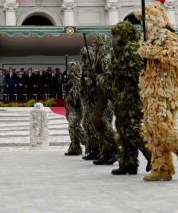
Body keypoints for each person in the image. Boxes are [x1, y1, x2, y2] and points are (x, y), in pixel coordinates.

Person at [139, 2, 178, 181]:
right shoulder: (149, 38)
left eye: (146, 19)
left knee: (161, 123)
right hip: (151, 89)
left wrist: (151, 51)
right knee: (151, 127)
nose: (144, 23)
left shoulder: (167, 35)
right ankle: (161, 167)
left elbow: (177, 58)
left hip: (165, 90)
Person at [109, 21, 151, 175]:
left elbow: (136, 73)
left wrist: (116, 69)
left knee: (131, 129)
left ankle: (151, 156)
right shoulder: (120, 50)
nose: (116, 38)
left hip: (131, 95)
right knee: (122, 130)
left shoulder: (132, 49)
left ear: (125, 34)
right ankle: (128, 164)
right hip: (122, 95)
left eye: (118, 35)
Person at [88, 36, 119, 166]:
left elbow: (108, 77)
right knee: (97, 122)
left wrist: (95, 77)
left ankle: (116, 148)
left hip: (109, 95)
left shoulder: (106, 58)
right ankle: (107, 151)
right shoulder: (97, 59)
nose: (95, 48)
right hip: (101, 94)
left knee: (103, 122)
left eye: (97, 46)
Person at [63, 59, 85, 156]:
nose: (69, 71)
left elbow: (76, 96)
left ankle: (91, 143)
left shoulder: (77, 80)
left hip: (77, 108)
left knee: (74, 126)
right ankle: (75, 147)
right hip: (70, 107)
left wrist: (69, 92)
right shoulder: (70, 81)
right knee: (71, 128)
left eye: (71, 69)